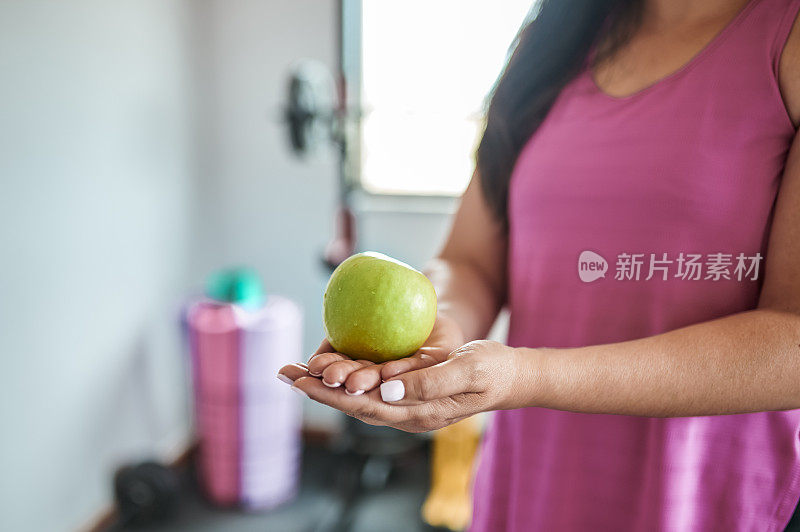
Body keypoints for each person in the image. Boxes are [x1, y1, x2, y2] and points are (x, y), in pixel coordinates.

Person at [279, 0, 800, 529]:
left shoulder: (786, 35)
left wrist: (528, 377)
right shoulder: (552, 39)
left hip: (701, 492)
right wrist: (441, 335)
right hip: (531, 476)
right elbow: (470, 260)